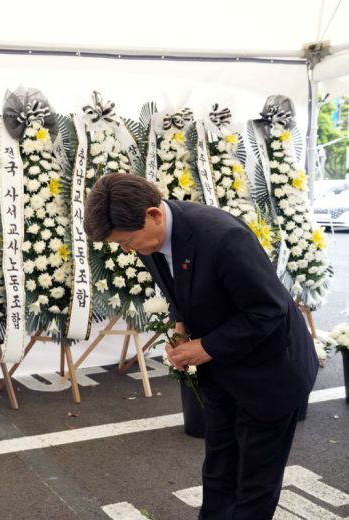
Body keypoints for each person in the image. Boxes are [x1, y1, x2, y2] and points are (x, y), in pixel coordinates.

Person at [84, 173, 317, 520]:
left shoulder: (224, 238)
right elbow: (180, 288)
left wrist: (204, 347)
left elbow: (268, 310)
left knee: (254, 483)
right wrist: (181, 327)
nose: (127, 250)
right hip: (223, 369)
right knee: (219, 468)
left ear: (154, 214)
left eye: (127, 241)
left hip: (271, 372)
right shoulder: (151, 240)